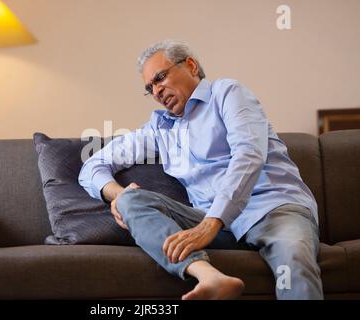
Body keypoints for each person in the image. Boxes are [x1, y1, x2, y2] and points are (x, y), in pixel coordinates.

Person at [78, 39, 323, 300]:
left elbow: (249, 154)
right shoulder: (160, 129)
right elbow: (92, 164)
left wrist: (212, 222)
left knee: (294, 257)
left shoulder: (228, 94)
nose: (157, 91)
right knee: (130, 200)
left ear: (191, 66)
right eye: (150, 88)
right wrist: (117, 194)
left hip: (273, 211)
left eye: (160, 78)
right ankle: (209, 276)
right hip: (215, 229)